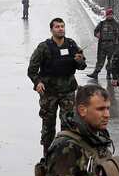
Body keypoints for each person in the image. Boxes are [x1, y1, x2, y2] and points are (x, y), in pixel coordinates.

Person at [28, 18, 87, 152]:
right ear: (51, 30)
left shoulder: (71, 45)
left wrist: (79, 61)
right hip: (49, 93)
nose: (60, 29)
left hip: (68, 91)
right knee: (48, 125)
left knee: (68, 124)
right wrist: (38, 82)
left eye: (62, 26)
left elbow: (82, 65)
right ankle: (48, 155)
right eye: (57, 27)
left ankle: (64, 154)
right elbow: (31, 70)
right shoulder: (43, 47)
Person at [89, 8, 119, 81]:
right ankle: (95, 73)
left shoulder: (116, 24)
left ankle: (108, 74)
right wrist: (97, 34)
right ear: (106, 15)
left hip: (112, 45)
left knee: (111, 60)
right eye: (108, 14)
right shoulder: (102, 23)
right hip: (102, 45)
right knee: (100, 60)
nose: (110, 16)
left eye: (111, 14)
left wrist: (118, 45)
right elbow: (95, 31)